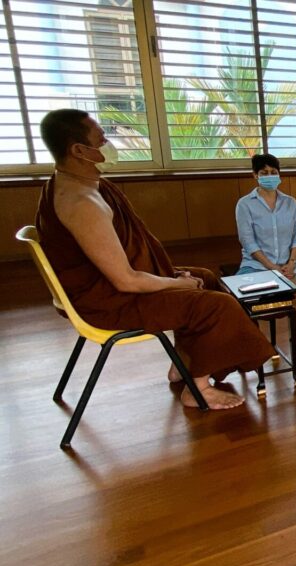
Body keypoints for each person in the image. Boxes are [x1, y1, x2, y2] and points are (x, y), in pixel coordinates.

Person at [35, 109, 273, 409]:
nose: (108, 144)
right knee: (217, 305)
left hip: (109, 287)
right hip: (108, 302)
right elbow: (125, 280)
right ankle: (197, 388)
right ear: (80, 150)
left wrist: (177, 281)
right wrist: (177, 284)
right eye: (101, 139)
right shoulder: (81, 203)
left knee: (208, 278)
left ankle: (184, 364)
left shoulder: (78, 183)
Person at [236, 154, 296, 287]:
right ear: (255, 175)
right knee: (238, 284)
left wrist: (291, 264)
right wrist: (272, 267)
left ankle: (282, 282)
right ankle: (287, 280)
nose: (269, 176)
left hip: (288, 263)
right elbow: (248, 243)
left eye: (273, 172)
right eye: (264, 173)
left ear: (279, 174)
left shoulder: (290, 202)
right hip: (258, 265)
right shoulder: (245, 204)